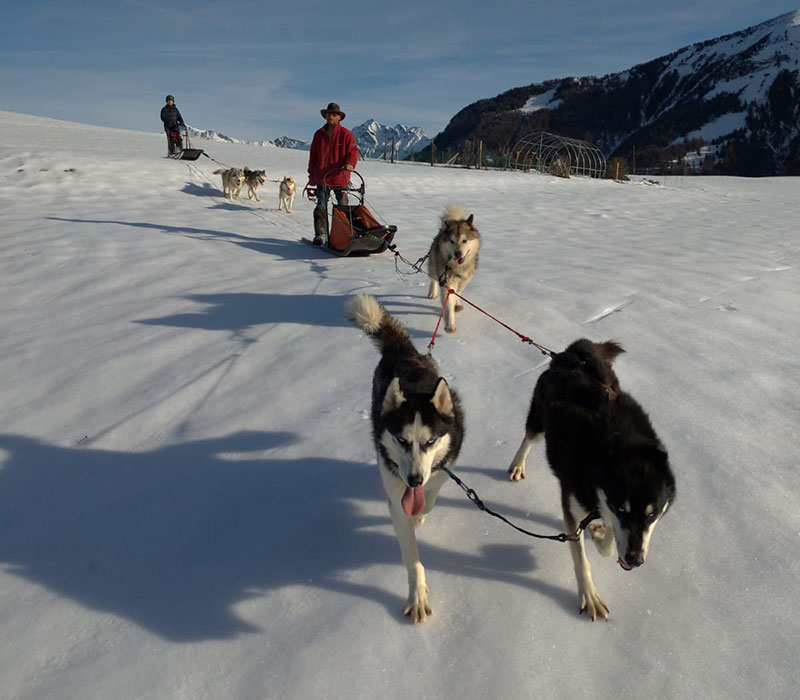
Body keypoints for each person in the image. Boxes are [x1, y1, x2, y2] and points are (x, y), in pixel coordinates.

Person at [307, 102, 359, 245]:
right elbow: (313, 157)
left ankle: (344, 235)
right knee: (321, 207)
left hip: (340, 178)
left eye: (334, 114)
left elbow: (353, 153)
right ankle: (321, 235)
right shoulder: (318, 135)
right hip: (322, 178)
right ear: (325, 116)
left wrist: (350, 164)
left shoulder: (346, 135)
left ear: (339, 118)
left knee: (343, 209)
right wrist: (311, 176)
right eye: (328, 114)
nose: (331, 116)